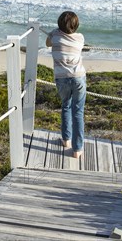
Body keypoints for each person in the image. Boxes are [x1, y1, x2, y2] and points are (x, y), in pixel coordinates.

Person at [46, 11, 86, 159]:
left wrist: (53, 32)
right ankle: (77, 149)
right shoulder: (80, 38)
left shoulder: (55, 36)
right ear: (76, 26)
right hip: (78, 78)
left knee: (65, 106)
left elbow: (47, 43)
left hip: (61, 79)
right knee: (78, 112)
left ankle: (66, 140)